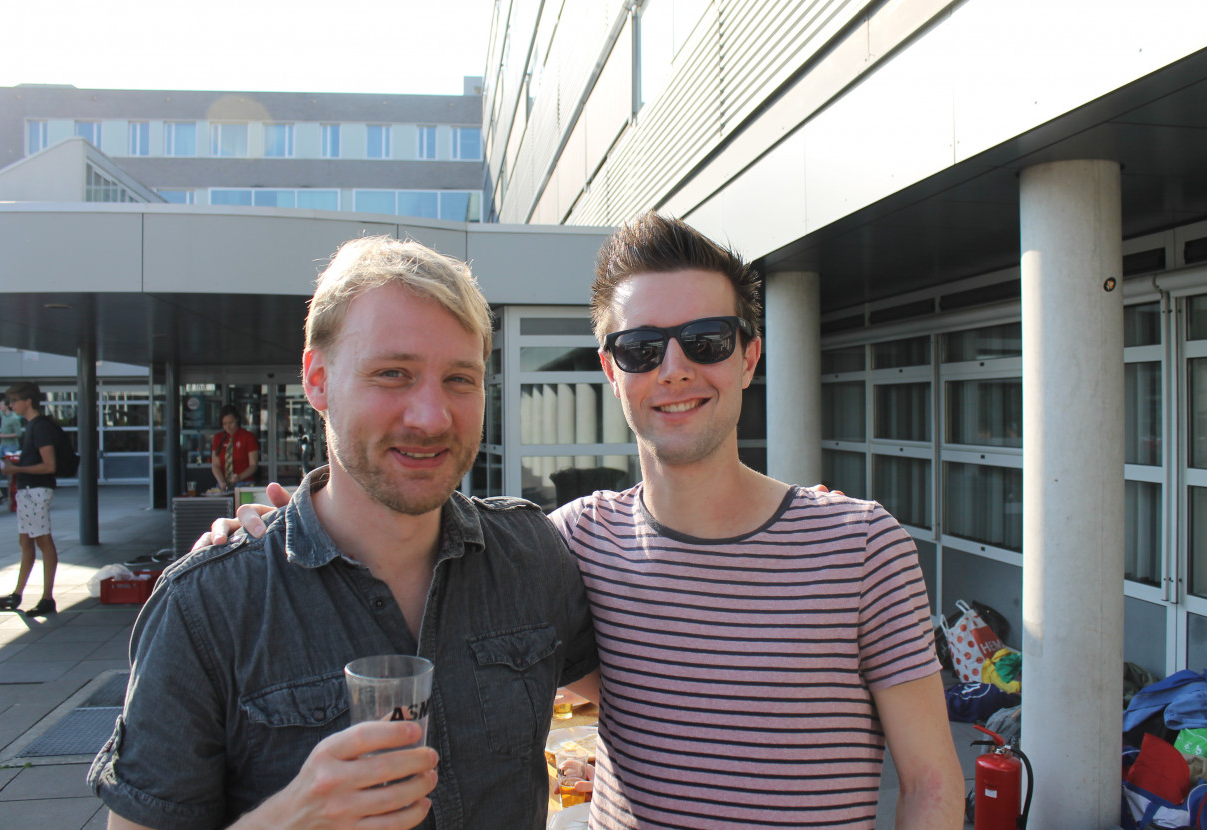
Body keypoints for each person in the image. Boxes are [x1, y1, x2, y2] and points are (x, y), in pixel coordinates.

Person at [205, 215, 964, 828]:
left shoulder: (860, 545)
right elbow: (409, 534)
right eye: (640, 348)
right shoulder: (564, 544)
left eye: (705, 341)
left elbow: (931, 786)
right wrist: (269, 532)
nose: (672, 369)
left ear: (748, 357)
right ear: (610, 370)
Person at [88, 237, 598, 830]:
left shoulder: (531, 556)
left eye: (461, 379)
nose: (432, 417)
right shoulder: (208, 608)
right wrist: (290, 817)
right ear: (317, 380)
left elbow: (655, 704)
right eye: (392, 373)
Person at [0, 383, 60, 617]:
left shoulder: (40, 427)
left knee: (42, 541)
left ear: (28, 401)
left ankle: (47, 598)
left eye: (14, 401)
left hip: (37, 490)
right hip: (29, 490)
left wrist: (15, 469)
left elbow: (50, 465)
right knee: (26, 542)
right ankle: (16, 594)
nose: (11, 405)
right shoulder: (31, 426)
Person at [210, 404, 259, 490]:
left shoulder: (248, 437)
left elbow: (253, 465)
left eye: (231, 423)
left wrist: (239, 477)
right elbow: (215, 465)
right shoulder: (218, 438)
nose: (228, 427)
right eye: (225, 424)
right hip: (224, 485)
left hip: (245, 483)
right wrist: (221, 481)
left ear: (237, 420)